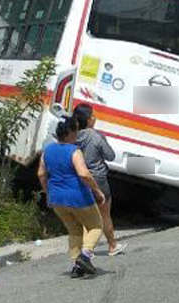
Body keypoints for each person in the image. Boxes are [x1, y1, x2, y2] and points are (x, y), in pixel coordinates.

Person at [39, 115, 106, 278]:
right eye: (76, 130)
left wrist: (48, 193)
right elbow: (84, 174)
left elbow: (41, 173)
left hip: (56, 199)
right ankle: (85, 256)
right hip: (78, 197)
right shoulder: (74, 151)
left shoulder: (47, 150)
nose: (78, 133)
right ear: (70, 133)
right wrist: (97, 191)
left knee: (74, 231)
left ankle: (77, 266)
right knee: (96, 226)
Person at [73, 104, 123, 255]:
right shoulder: (96, 136)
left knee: (85, 216)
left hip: (80, 180)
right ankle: (112, 246)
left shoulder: (72, 137)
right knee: (105, 216)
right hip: (99, 180)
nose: (95, 118)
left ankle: (86, 249)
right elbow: (111, 156)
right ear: (88, 120)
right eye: (92, 116)